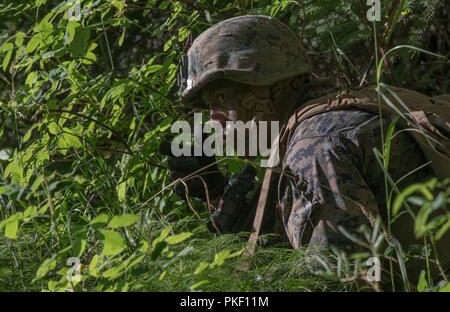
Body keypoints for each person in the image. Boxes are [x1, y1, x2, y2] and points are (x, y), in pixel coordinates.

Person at [160, 15, 450, 282]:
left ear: (268, 86)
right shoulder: (364, 105)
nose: (214, 120)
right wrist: (219, 198)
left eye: (222, 98)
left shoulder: (312, 148)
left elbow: (337, 281)